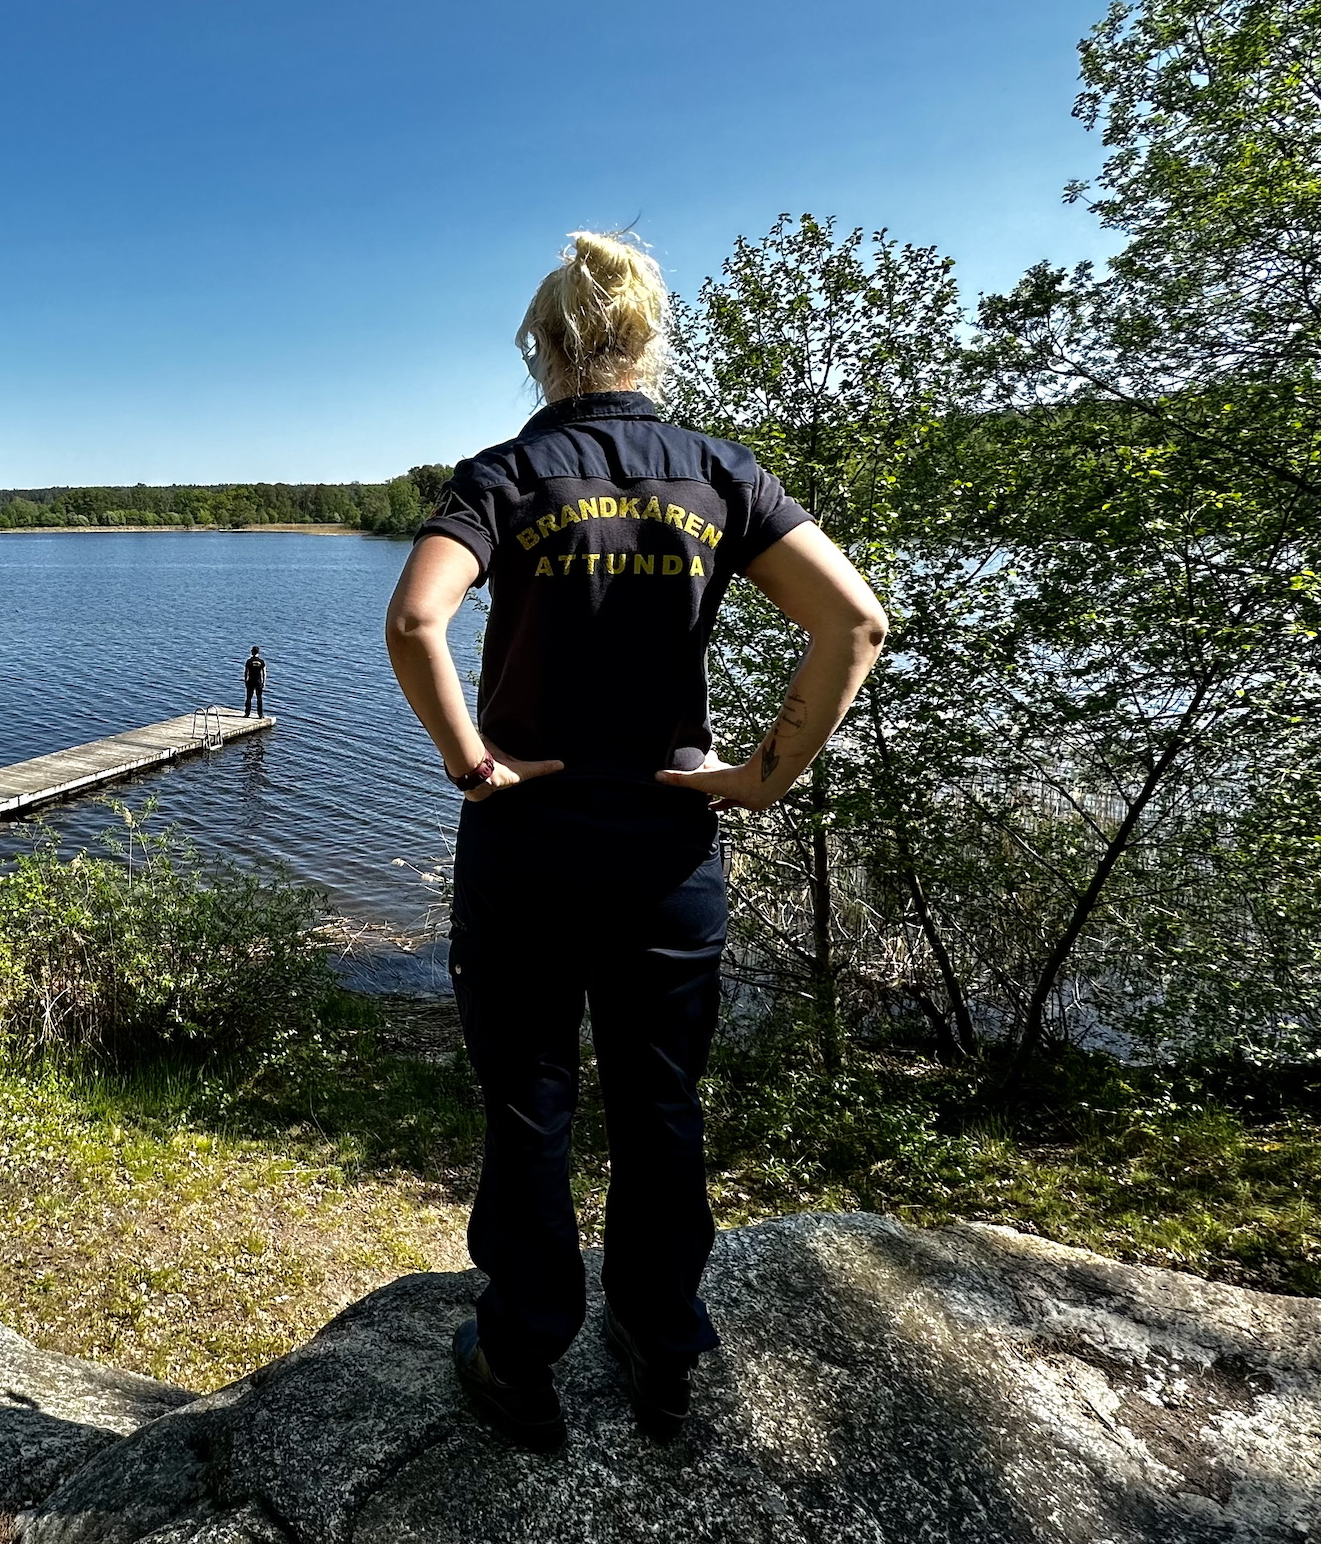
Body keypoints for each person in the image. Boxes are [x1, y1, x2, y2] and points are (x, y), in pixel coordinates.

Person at [384, 231, 885, 1451]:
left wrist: (474, 764)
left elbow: (413, 620)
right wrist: (759, 779)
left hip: (528, 847)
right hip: (669, 849)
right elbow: (854, 622)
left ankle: (520, 1354)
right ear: (646, 341)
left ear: (542, 350)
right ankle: (662, 1356)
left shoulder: (505, 473)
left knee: (528, 1101)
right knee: (660, 1103)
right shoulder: (720, 475)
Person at [243, 646, 267, 717]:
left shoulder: (249, 661)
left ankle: (247, 713)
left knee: (249, 698)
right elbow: (264, 673)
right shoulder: (261, 662)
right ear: (258, 652)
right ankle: (260, 714)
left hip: (250, 681)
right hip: (258, 682)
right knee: (259, 698)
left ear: (252, 652)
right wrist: (264, 682)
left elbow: (246, 672)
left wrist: (245, 680)